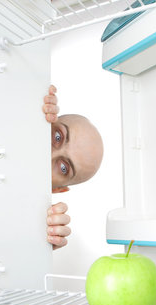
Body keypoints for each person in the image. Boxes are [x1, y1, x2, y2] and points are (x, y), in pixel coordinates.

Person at [43, 85, 104, 250]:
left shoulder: (38, 227)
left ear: (57, 190)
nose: (48, 154)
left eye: (63, 168)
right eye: (57, 136)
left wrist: (36, 246)